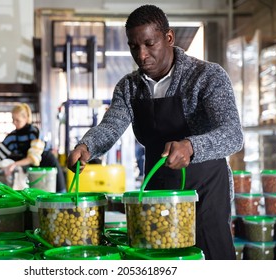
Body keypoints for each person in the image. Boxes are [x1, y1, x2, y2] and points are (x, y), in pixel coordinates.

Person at [67, 4, 244, 260]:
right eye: (134, 46)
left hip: (205, 191)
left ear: (169, 38)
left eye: (150, 44)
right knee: (158, 260)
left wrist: (191, 147)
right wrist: (87, 146)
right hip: (157, 189)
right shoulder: (129, 87)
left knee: (211, 258)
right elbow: (112, 124)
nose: (142, 55)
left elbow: (232, 134)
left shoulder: (207, 76)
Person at [0, 103, 66, 193]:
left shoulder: (35, 132)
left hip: (49, 166)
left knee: (59, 193)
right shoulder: (12, 136)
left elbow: (33, 158)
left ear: (26, 118)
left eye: (17, 120)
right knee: (37, 197)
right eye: (13, 119)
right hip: (33, 171)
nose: (14, 123)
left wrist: (14, 164)